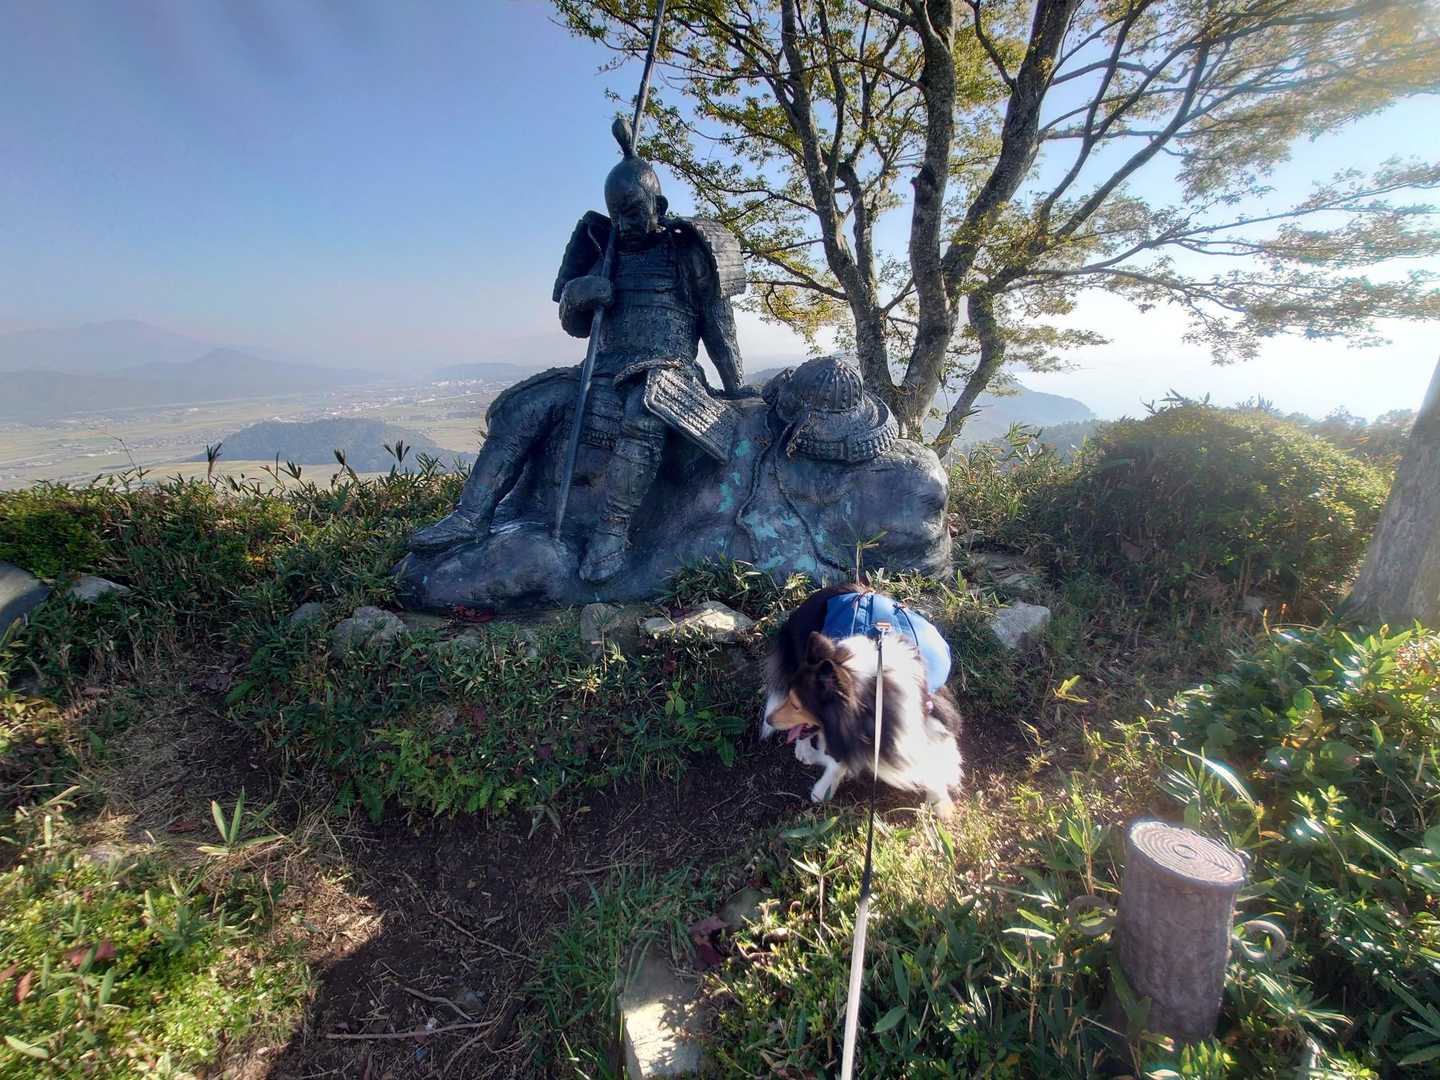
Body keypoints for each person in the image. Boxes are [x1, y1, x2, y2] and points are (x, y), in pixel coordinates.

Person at [408, 123, 747, 581]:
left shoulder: (691, 252)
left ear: (660, 206)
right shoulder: (603, 248)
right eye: (617, 215)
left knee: (644, 414)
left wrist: (736, 387)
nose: (624, 224)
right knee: (523, 406)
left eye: (633, 212)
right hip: (603, 368)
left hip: (668, 371)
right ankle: (471, 515)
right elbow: (576, 327)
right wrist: (578, 295)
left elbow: (719, 327)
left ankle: (612, 533)